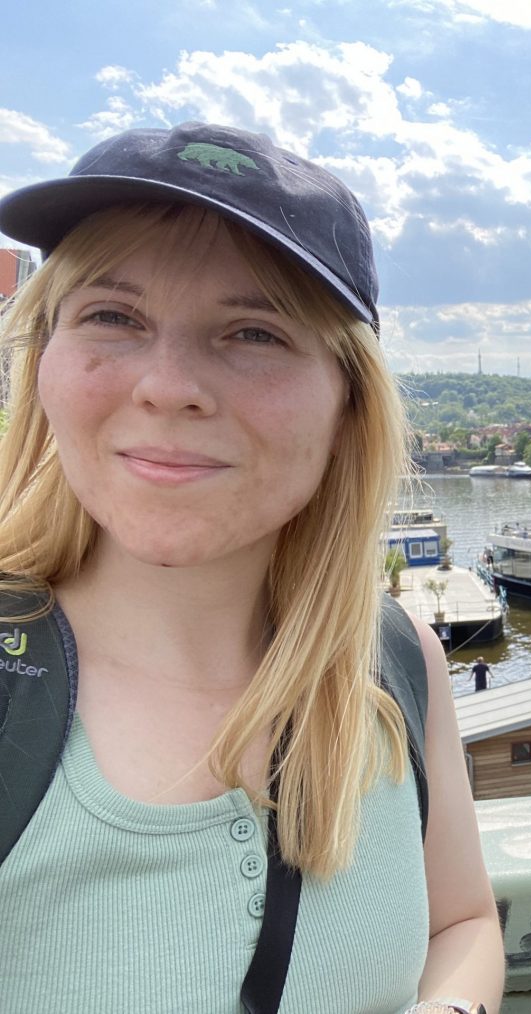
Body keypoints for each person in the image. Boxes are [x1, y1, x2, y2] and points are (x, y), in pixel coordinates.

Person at [0, 122, 504, 1013]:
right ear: (42, 365)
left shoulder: (395, 662)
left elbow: (460, 923)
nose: (167, 385)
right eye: (112, 317)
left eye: (252, 332)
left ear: (348, 405)